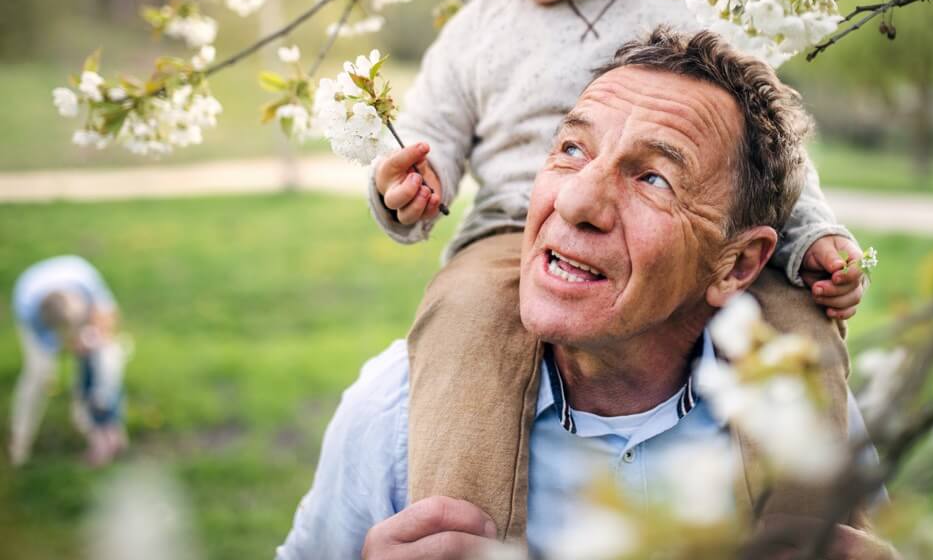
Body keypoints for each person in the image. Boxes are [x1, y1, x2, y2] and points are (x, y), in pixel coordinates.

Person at [363, 0, 870, 525]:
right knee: (463, 315)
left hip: (690, 237)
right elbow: (427, 136)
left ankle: (814, 532)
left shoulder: (690, 11)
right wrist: (401, 189)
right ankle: (457, 529)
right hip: (514, 233)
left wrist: (815, 238)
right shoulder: (479, 29)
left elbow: (772, 159)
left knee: (798, 323)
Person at [280, 29, 893, 560]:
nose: (574, 203)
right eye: (572, 149)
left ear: (738, 265)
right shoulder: (397, 409)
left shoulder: (803, 417)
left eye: (654, 177)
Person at [9, 255, 128, 467]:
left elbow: (109, 316)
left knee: (104, 359)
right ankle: (19, 441)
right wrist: (71, 343)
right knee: (39, 373)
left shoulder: (86, 281)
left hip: (74, 290)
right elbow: (50, 345)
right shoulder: (29, 310)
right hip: (33, 299)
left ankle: (93, 421)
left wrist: (95, 336)